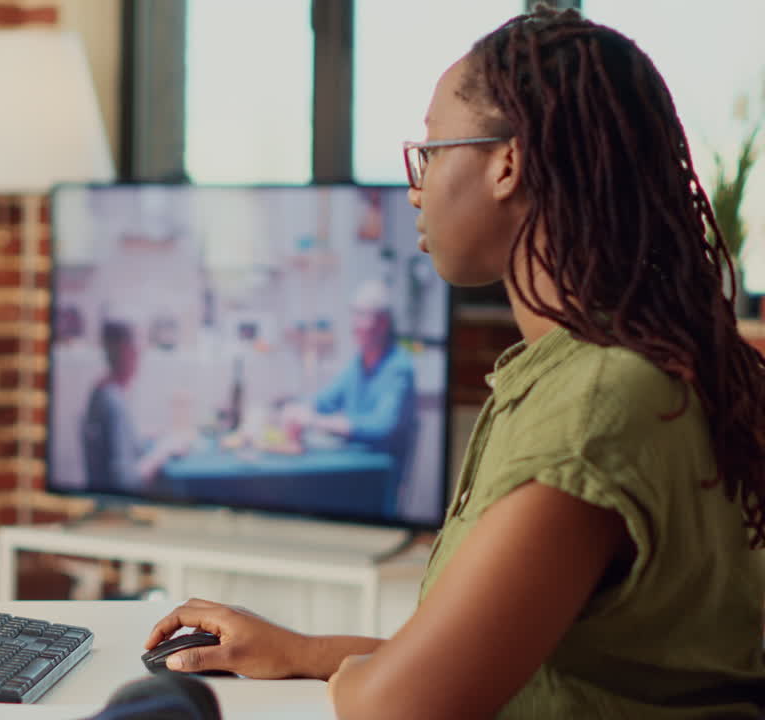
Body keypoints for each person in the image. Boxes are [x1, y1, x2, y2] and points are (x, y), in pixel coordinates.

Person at [143, 7, 765, 718]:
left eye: (431, 151)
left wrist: (359, 683)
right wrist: (302, 650)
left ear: (508, 163)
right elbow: (534, 667)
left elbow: (400, 707)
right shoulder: (625, 367)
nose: (416, 187)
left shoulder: (598, 402)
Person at [280, 280, 418, 515]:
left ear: (383, 322)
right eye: (354, 315)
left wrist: (315, 421)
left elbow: (382, 426)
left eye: (362, 316)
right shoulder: (358, 363)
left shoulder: (399, 368)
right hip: (350, 472)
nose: (355, 325)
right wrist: (297, 409)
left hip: (377, 481)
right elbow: (324, 401)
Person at [80, 321, 186, 493]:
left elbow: (116, 449)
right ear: (125, 351)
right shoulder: (113, 403)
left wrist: (146, 438)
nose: (139, 357)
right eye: (136, 351)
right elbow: (126, 481)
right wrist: (163, 453)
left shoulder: (101, 390)